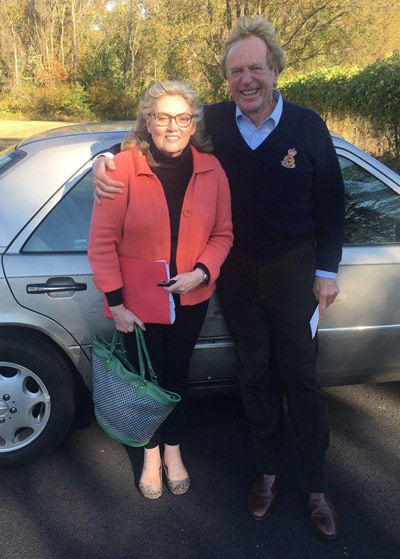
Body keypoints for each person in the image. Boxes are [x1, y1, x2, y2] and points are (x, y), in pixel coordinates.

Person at [92, 16, 345, 539]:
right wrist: (103, 161)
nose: (246, 79)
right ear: (226, 79)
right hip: (233, 274)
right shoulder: (217, 124)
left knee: (300, 376)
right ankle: (268, 472)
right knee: (254, 375)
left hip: (294, 269)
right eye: (236, 71)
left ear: (275, 70)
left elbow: (332, 202)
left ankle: (316, 484)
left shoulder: (308, 126)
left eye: (256, 68)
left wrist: (326, 270)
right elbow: (155, 137)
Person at [88, 80, 233, 500]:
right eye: (163, 117)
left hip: (189, 300)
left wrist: (202, 271)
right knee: (144, 381)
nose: (172, 126)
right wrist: (115, 303)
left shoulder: (212, 169)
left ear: (193, 125)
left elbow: (223, 234)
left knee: (175, 378)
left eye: (182, 118)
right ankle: (150, 455)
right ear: (148, 122)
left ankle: (174, 451)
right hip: (137, 305)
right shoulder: (121, 168)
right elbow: (101, 244)